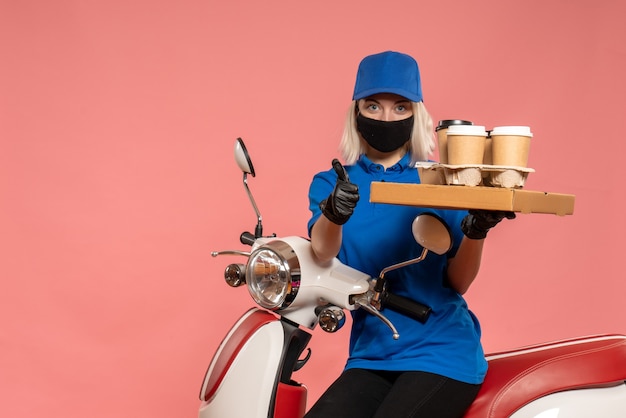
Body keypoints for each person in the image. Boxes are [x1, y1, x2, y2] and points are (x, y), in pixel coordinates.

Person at [305, 51, 515, 418]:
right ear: (356, 113)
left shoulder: (438, 181)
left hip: (440, 351)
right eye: (374, 106)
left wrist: (476, 231)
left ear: (416, 114)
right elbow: (322, 253)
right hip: (371, 354)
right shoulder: (333, 182)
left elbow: (459, 281)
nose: (387, 117)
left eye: (400, 107)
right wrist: (334, 213)